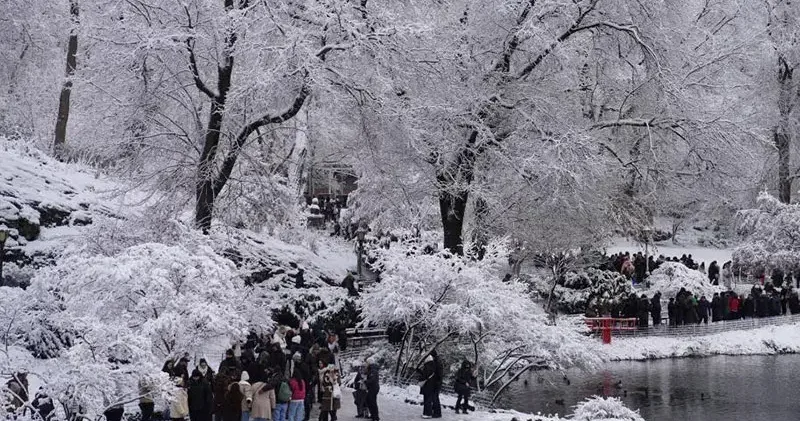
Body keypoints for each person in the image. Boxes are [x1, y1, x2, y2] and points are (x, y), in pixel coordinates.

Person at [418, 351, 442, 419]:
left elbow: (426, 374)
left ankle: (429, 413)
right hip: (434, 384)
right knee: (434, 399)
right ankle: (436, 413)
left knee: (429, 399)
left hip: (431, 384)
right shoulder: (436, 362)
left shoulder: (430, 364)